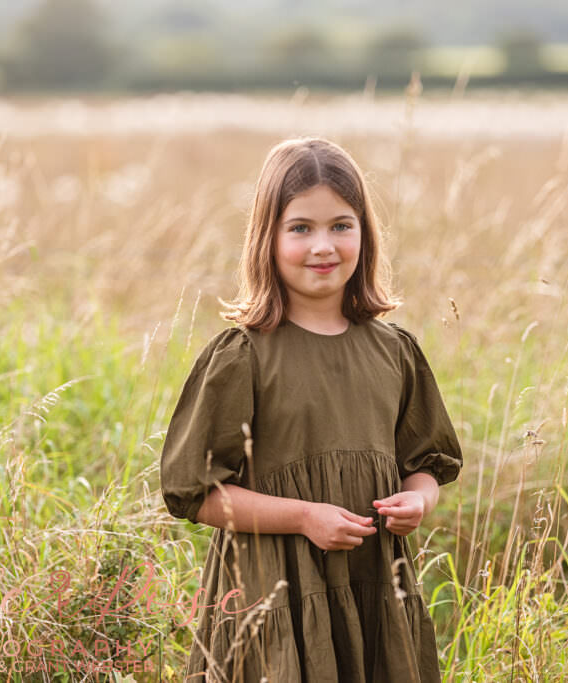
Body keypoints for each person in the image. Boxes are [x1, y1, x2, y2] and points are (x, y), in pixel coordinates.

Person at [159, 136, 463, 683]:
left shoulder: (393, 350)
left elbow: (426, 460)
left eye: (341, 226)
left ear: (365, 235)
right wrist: (303, 517)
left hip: (375, 585)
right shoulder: (243, 356)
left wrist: (418, 500)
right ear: (267, 240)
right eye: (300, 228)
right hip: (274, 593)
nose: (323, 245)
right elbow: (197, 494)